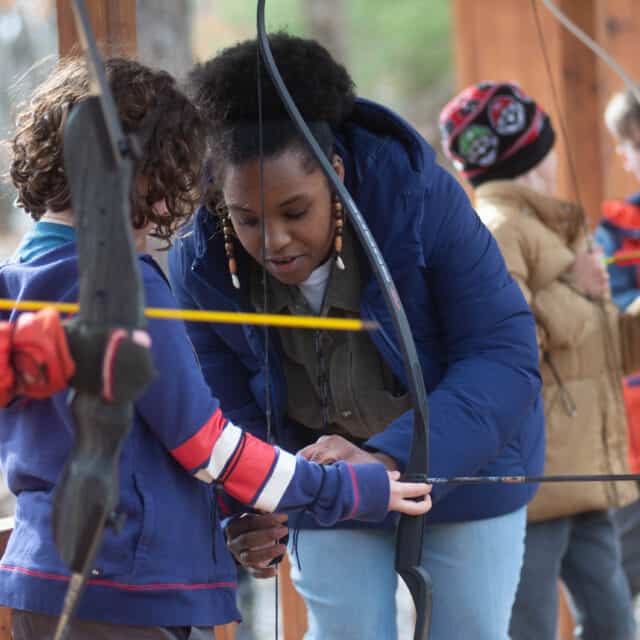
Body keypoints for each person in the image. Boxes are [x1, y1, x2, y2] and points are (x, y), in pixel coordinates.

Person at [0, 56, 431, 640]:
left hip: (39, 584)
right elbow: (207, 445)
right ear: (146, 176)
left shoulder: (17, 282)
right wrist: (351, 489)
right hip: (126, 596)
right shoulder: (124, 284)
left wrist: (244, 503)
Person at [168, 34, 544, 640]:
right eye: (247, 220)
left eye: (295, 212)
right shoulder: (199, 261)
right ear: (220, 203)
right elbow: (221, 405)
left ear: (337, 175)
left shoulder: (420, 199)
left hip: (467, 466)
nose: (275, 241)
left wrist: (383, 460)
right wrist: (248, 501)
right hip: (320, 485)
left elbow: (504, 356)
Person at [440, 81, 640, 640]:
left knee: (613, 624)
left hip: (583, 477)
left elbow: (605, 352)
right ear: (534, 155)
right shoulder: (499, 229)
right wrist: (576, 291)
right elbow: (507, 347)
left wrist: (596, 298)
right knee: (528, 626)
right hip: (534, 482)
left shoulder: (550, 235)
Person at [596, 88, 640, 598]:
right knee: (621, 576)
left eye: (624, 145)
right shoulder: (616, 230)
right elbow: (609, 313)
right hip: (633, 434)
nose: (622, 158)